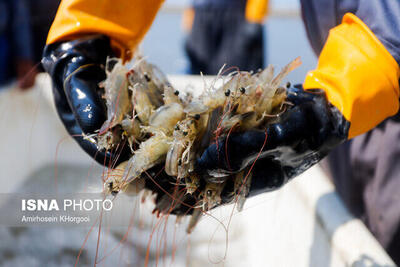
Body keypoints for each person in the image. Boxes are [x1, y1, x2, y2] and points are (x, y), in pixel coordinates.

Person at [42, 0, 400, 264]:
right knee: (352, 212)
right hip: (346, 75)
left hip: (382, 83)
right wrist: (92, 22)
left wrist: (344, 95)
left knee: (384, 235)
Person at [183, 0, 267, 75]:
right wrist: (190, 15)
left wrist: (255, 17)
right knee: (199, 71)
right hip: (201, 11)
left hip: (238, 13)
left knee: (232, 74)